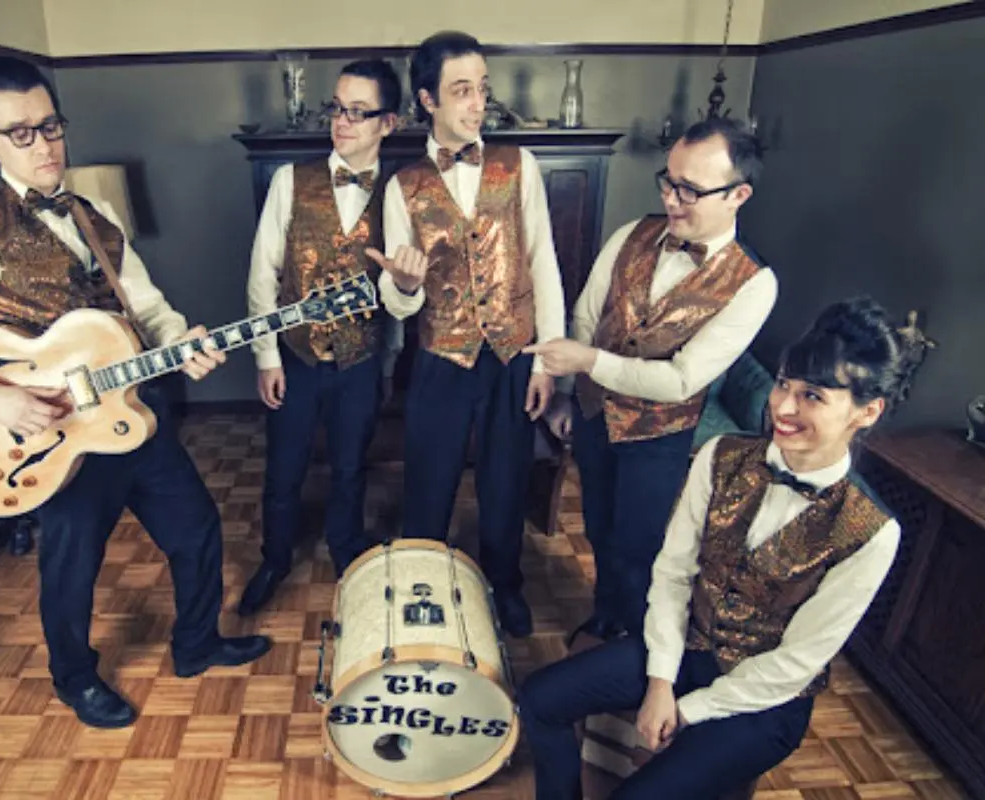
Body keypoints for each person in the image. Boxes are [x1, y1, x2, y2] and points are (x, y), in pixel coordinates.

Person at [0, 56, 271, 729]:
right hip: (47, 435)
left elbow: (142, 306)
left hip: (128, 414)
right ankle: (73, 678)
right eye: (21, 133)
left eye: (51, 125)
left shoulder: (93, 211)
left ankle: (198, 644)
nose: (46, 144)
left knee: (196, 528)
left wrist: (182, 340)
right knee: (72, 566)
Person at [517, 296, 926, 799]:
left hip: (765, 702)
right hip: (686, 648)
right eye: (783, 384)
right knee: (539, 698)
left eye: (814, 396)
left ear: (867, 412)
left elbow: (796, 664)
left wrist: (687, 710)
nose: (784, 407)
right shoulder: (720, 455)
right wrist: (662, 680)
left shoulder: (872, 532)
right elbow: (672, 573)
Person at [528, 117, 778, 641]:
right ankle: (605, 616)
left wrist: (588, 363)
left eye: (690, 190)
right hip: (595, 417)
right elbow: (587, 317)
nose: (672, 199)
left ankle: (635, 651)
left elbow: (681, 380)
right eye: (668, 182)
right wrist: (569, 398)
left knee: (639, 547)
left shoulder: (755, 285)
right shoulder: (631, 234)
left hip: (658, 436)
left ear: (740, 195)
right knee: (598, 527)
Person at [368, 31, 566, 637]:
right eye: (461, 90)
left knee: (506, 478)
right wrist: (403, 285)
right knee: (429, 478)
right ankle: (423, 587)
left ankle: (504, 585)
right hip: (441, 357)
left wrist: (546, 363)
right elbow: (399, 306)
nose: (477, 102)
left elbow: (544, 261)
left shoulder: (519, 164)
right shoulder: (402, 186)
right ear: (427, 99)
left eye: (482, 88)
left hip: (512, 351)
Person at [239, 59, 402, 615]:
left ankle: (347, 550)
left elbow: (403, 295)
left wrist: (386, 365)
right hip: (296, 354)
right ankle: (275, 557)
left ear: (389, 123)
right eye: (337, 108)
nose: (343, 121)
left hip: (361, 357)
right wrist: (266, 356)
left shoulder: (403, 194)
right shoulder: (290, 179)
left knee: (352, 464)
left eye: (360, 112)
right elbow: (264, 272)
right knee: (283, 466)